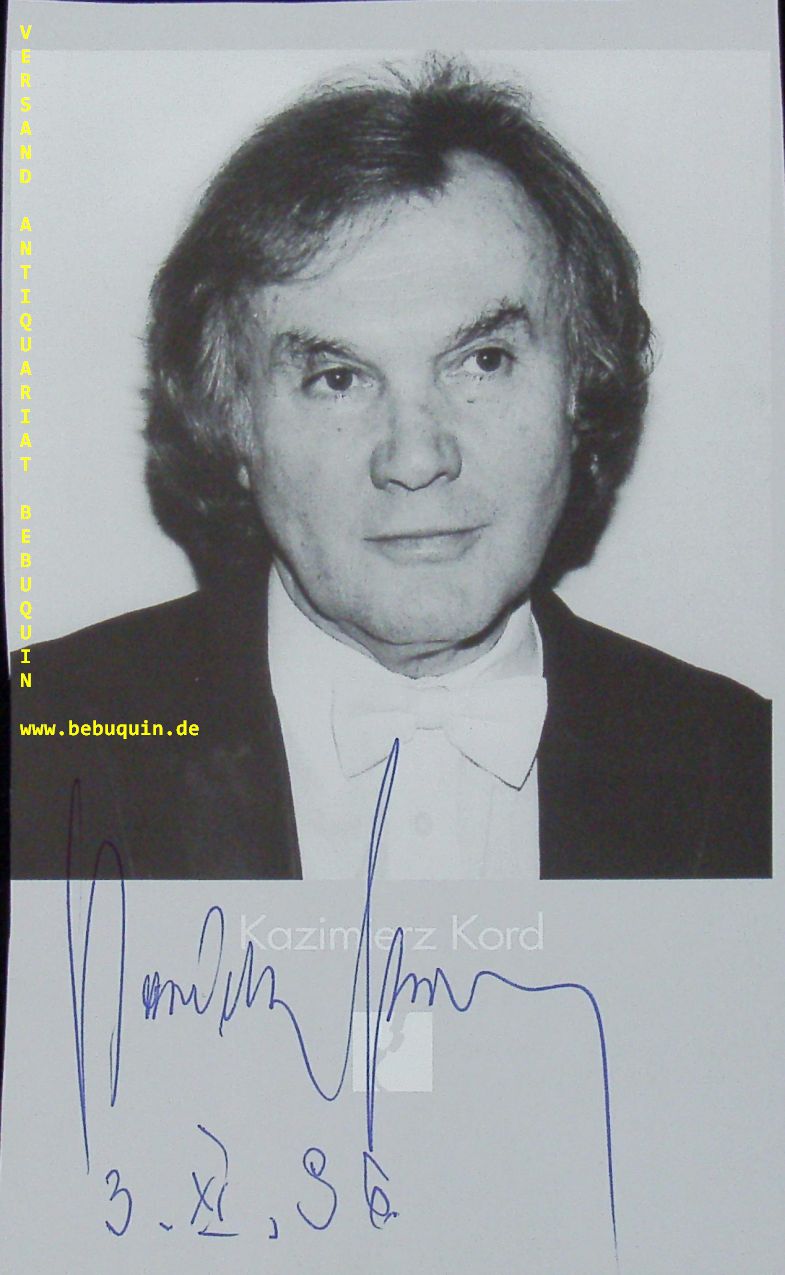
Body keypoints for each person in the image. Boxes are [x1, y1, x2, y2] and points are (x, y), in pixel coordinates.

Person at [11, 59, 771, 880]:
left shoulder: (742, 765)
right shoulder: (43, 741)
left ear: (580, 390)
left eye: (482, 361)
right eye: (338, 379)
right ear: (230, 423)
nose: (415, 459)